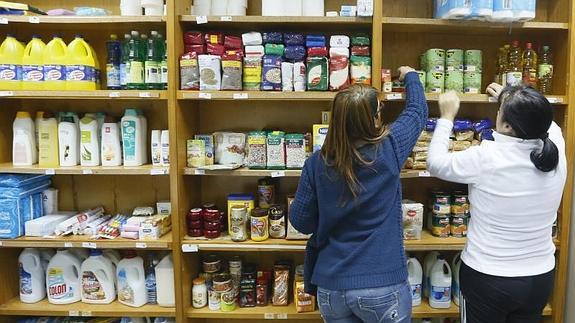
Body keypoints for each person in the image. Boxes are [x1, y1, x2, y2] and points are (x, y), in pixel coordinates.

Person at [288, 67, 428, 323]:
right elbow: (417, 112)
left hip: (332, 287)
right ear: (372, 120)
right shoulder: (390, 148)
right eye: (378, 112)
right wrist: (410, 75)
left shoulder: (316, 164)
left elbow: (301, 222)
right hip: (382, 283)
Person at [427, 83, 567, 323]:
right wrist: (511, 97)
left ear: (507, 126)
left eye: (501, 110)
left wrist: (447, 116)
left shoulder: (486, 157)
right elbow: (546, 120)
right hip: (539, 276)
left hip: (489, 277)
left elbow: (436, 163)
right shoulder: (555, 151)